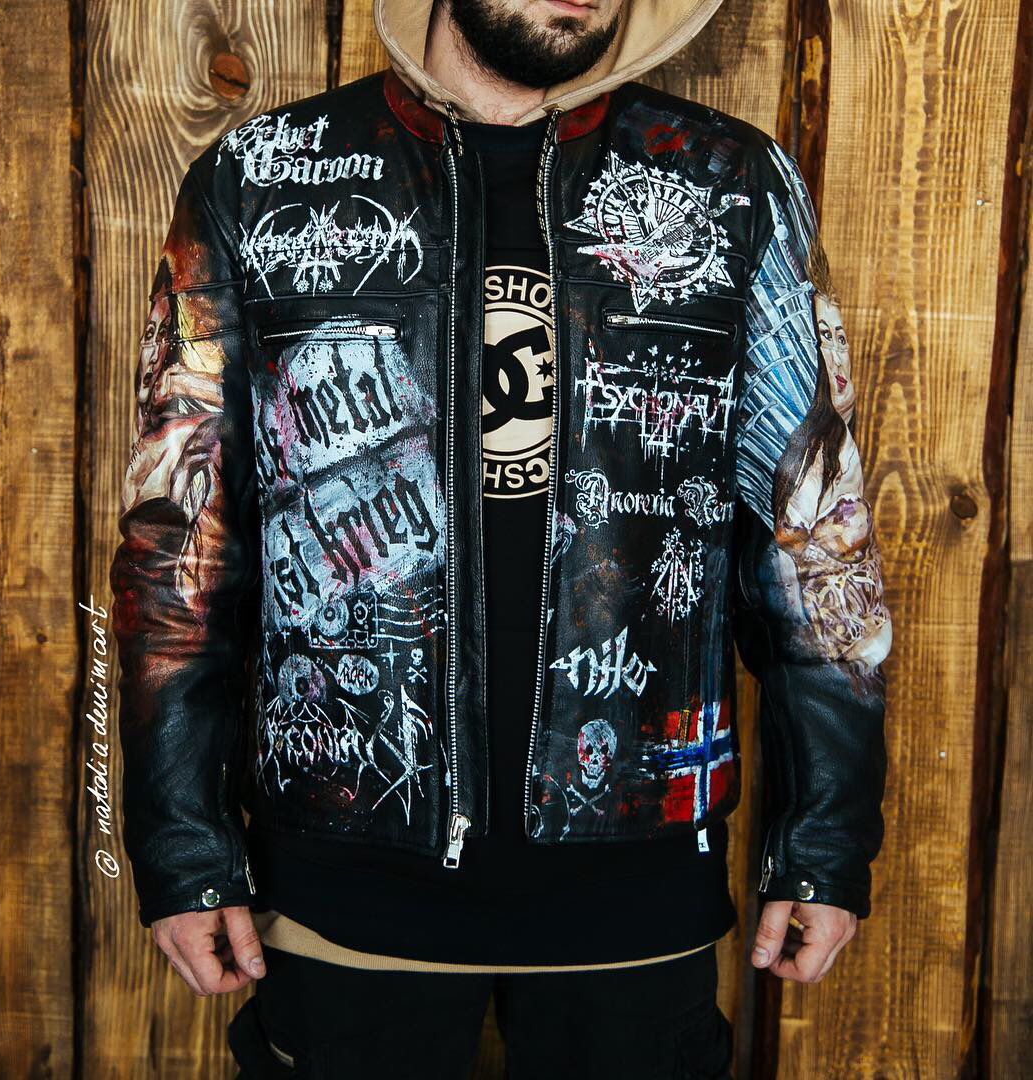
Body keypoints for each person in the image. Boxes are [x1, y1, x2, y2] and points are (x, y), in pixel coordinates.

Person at [108, 1, 892, 1076]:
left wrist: (826, 842)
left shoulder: (730, 183)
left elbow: (817, 540)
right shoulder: (258, 181)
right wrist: (182, 843)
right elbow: (180, 545)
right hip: (345, 876)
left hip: (637, 887)